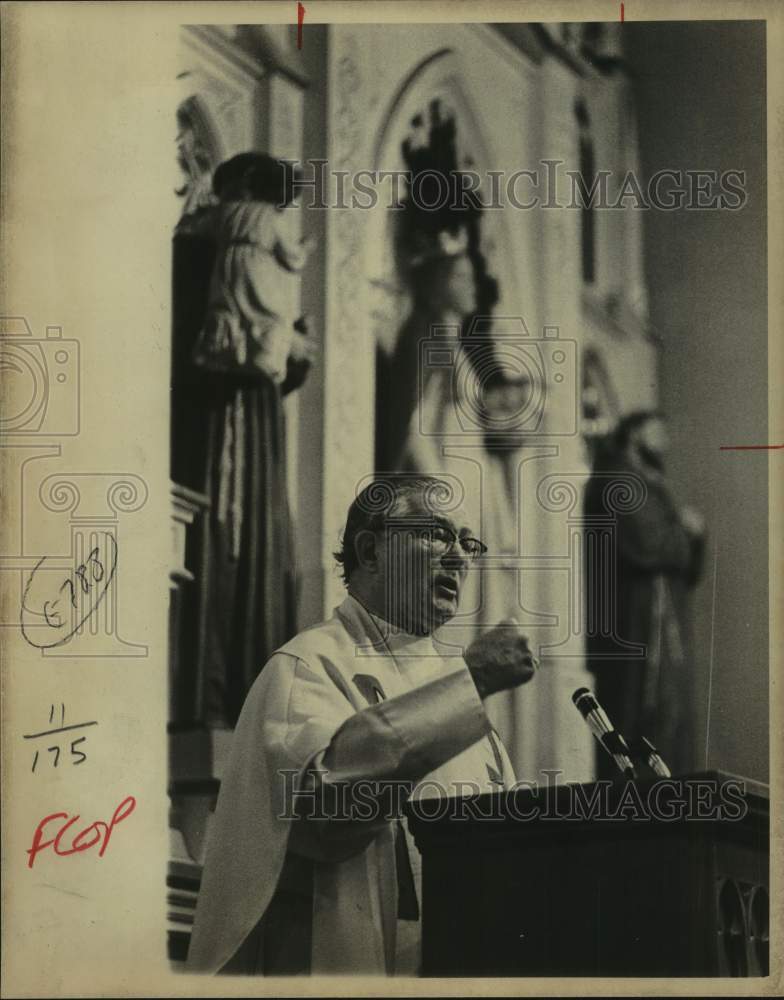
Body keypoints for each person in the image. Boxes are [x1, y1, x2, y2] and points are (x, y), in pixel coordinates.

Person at [186, 475, 538, 976]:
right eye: (437, 534)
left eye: (467, 543)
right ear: (371, 551)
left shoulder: (463, 701)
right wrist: (473, 681)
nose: (459, 558)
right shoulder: (308, 667)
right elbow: (325, 811)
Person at [182, 153, 316, 727]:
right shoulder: (205, 245)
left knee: (261, 541)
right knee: (230, 536)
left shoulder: (243, 243)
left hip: (254, 406)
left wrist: (292, 352)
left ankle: (250, 700)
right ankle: (219, 700)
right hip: (226, 407)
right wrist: (277, 347)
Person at [584, 411, 705, 778]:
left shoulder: (648, 481)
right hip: (633, 620)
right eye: (657, 431)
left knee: (668, 711)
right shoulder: (616, 478)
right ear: (634, 433)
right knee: (641, 710)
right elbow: (647, 544)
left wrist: (689, 536)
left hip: (658, 615)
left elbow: (680, 560)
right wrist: (687, 531)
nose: (665, 440)